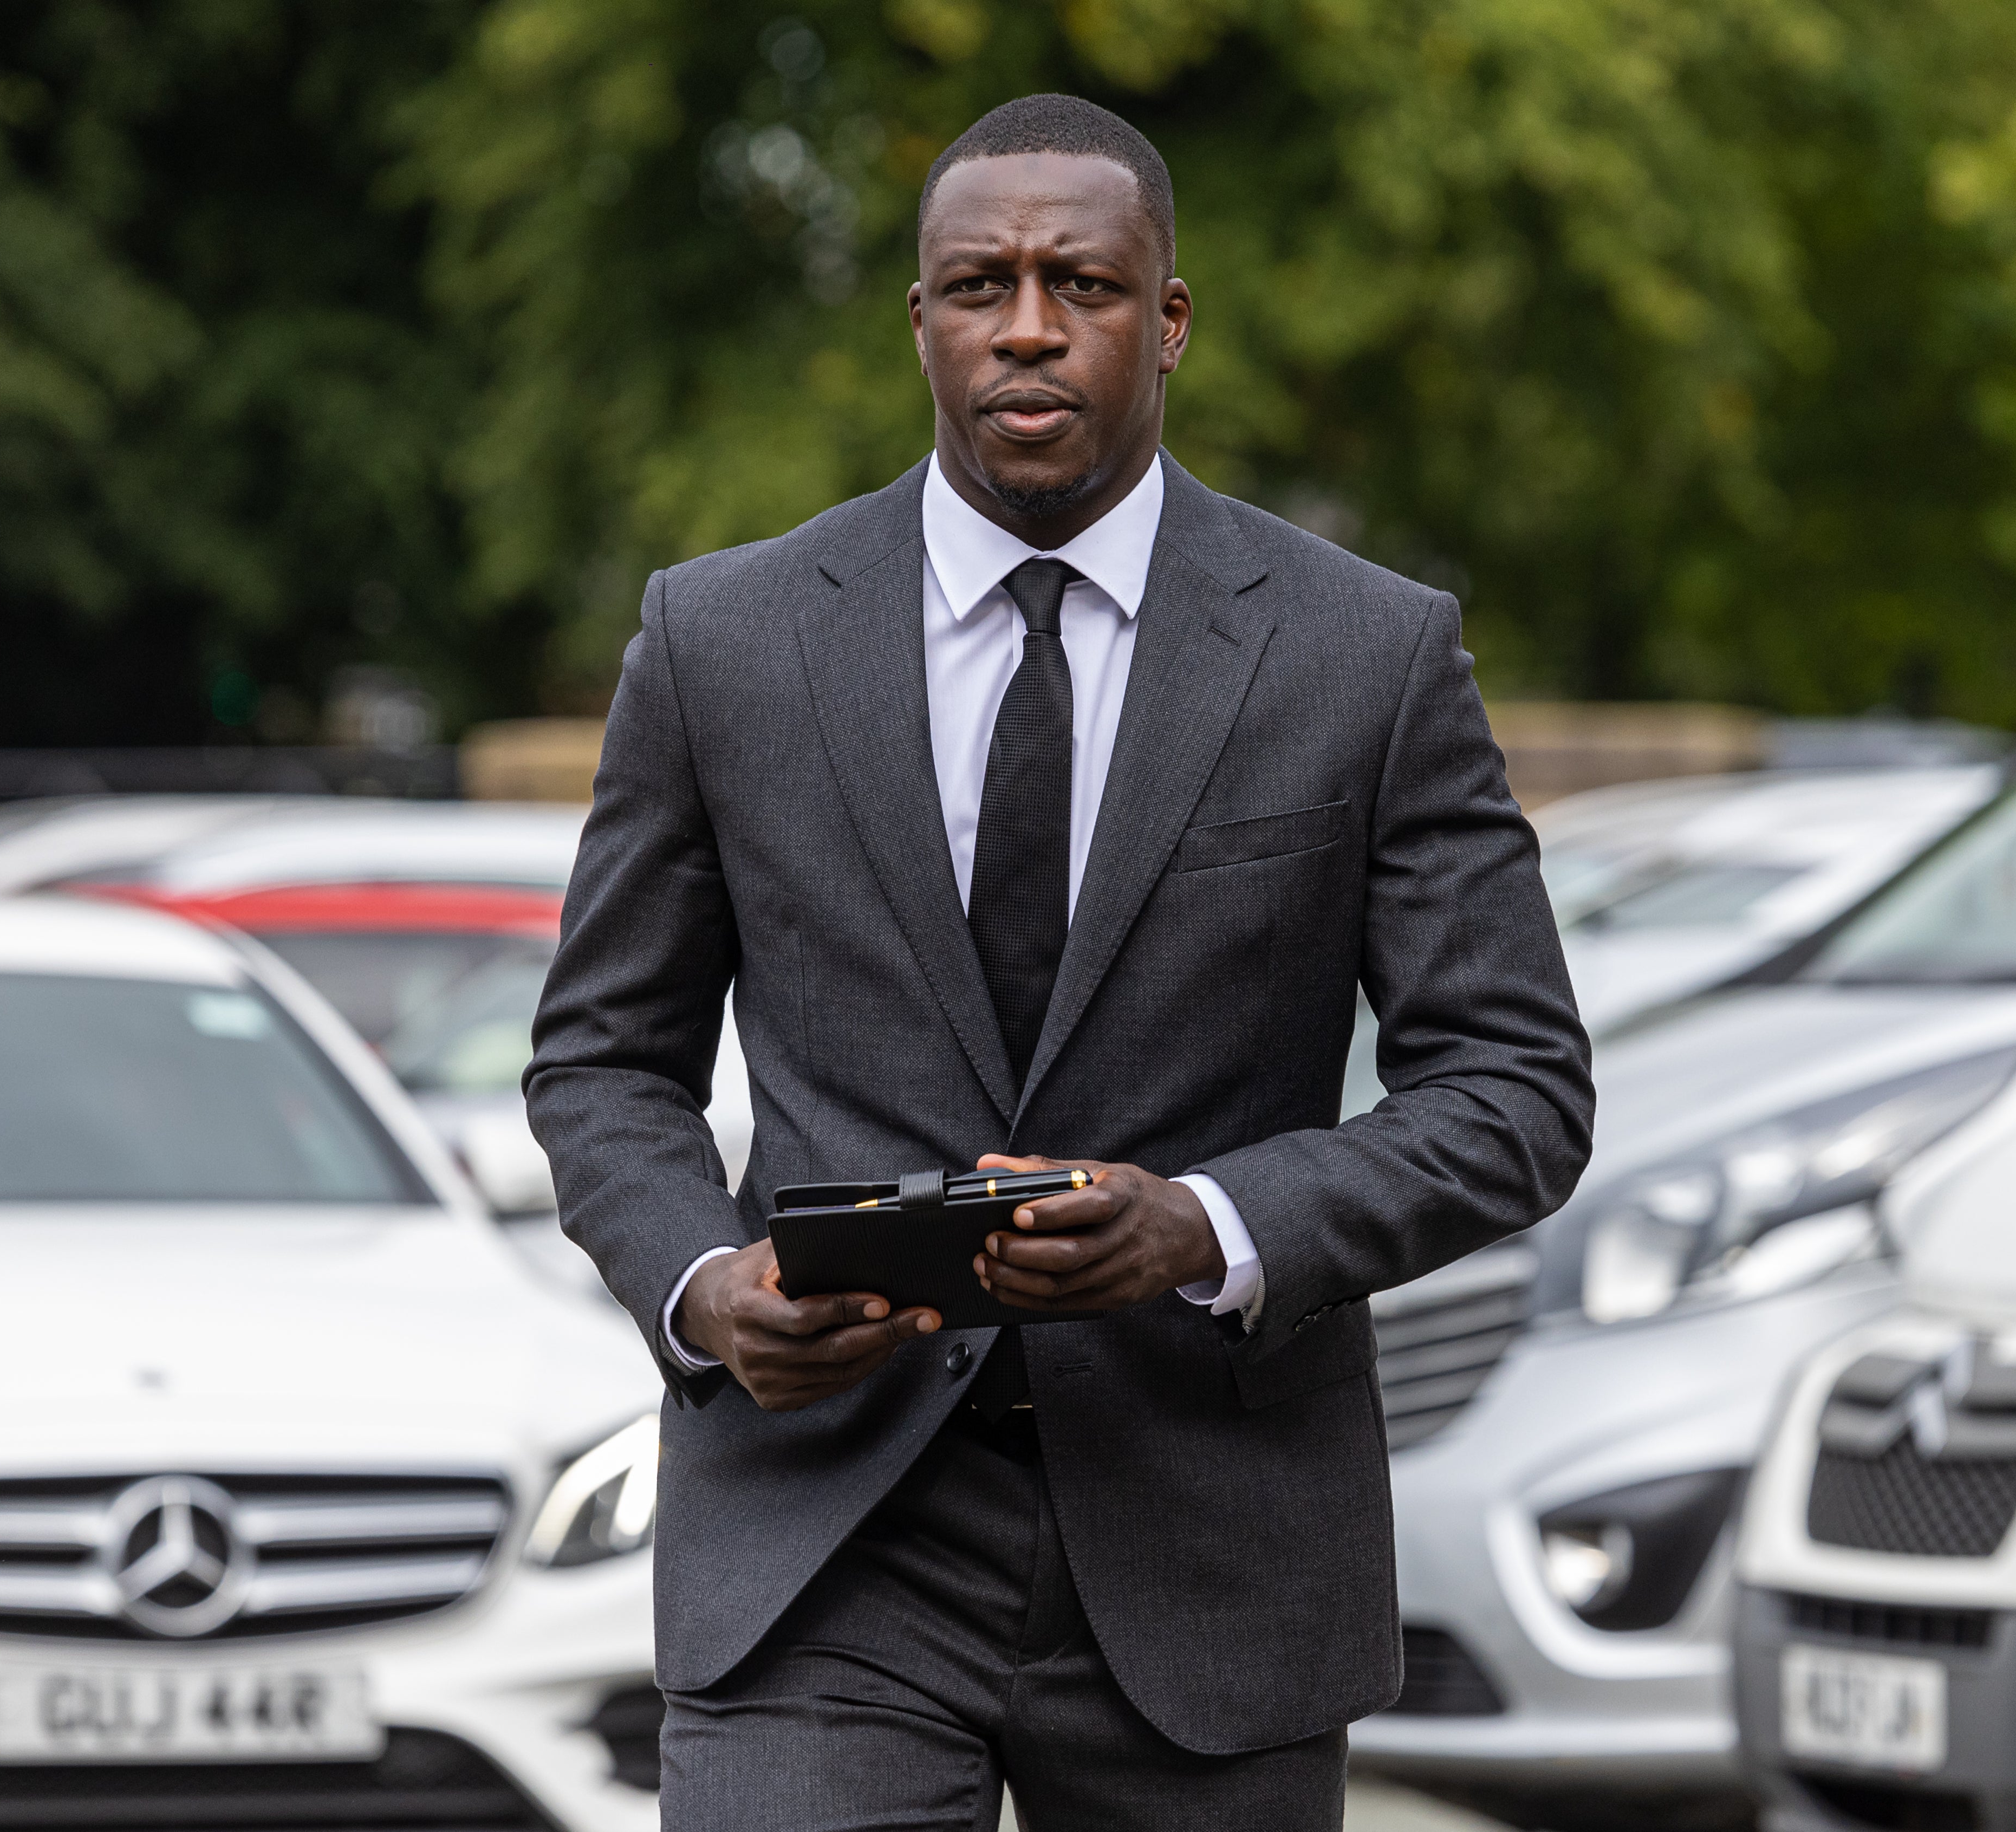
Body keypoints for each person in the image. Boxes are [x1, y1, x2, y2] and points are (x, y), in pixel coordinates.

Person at [528, 93, 1594, 1831]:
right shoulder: (720, 641)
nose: (1028, 326)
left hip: (1213, 1534)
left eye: (1081, 284)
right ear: (923, 322)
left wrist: (1208, 1226)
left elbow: (1515, 1093)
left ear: (1166, 320)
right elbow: (602, 1063)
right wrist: (704, 1294)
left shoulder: (1365, 657)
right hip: (824, 1527)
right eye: (979, 285)